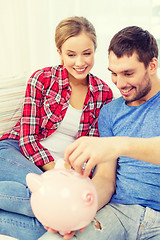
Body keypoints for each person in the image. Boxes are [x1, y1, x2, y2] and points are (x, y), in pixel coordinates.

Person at [0, 16, 113, 240]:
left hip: (63, 173)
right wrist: (57, 174)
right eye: (71, 54)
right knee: (52, 204)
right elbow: (27, 138)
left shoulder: (103, 93)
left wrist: (71, 176)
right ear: (59, 52)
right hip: (15, 152)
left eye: (87, 53)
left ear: (95, 50)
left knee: (49, 223)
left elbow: (90, 148)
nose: (79, 62)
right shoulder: (41, 79)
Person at [61, 26, 160, 240]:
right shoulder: (110, 112)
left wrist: (118, 145)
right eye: (114, 73)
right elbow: (106, 179)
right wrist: (78, 211)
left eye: (128, 73)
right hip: (119, 212)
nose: (119, 84)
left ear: (152, 65)